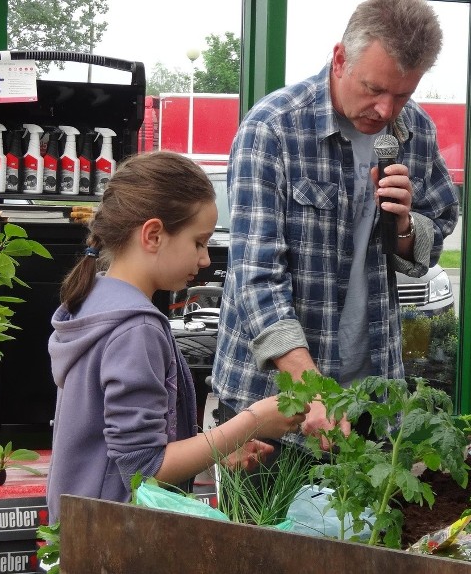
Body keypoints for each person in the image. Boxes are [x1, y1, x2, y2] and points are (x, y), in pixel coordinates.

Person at [213, 0, 459, 445]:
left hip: (371, 396)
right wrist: (313, 390)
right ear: (340, 58)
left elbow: (438, 223)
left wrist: (405, 228)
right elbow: (256, 277)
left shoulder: (416, 131)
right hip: (273, 403)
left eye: (402, 95)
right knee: (263, 520)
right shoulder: (273, 129)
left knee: (363, 519)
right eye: (374, 89)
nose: (386, 110)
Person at [46, 151, 306, 520]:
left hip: (81, 528)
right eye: (199, 242)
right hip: (116, 537)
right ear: (153, 235)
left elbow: (125, 445)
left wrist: (219, 448)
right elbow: (142, 469)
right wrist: (252, 421)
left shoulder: (95, 300)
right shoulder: (137, 329)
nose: (205, 260)